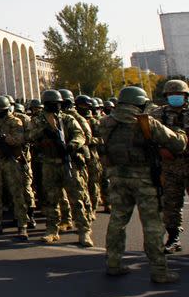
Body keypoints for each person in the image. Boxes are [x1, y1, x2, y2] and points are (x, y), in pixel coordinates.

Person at [99, 86, 186, 283]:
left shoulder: (105, 122)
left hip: (117, 177)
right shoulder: (145, 122)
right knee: (152, 225)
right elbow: (177, 143)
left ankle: (113, 264)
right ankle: (159, 271)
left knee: (117, 221)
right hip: (144, 179)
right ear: (139, 102)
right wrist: (180, 132)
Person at [29, 90, 93, 247]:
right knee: (51, 199)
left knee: (76, 198)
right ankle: (52, 229)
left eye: (58, 104)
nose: (56, 106)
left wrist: (72, 145)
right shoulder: (38, 121)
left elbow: (80, 135)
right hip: (49, 163)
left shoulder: (67, 119)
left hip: (67, 161)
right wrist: (44, 133)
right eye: (53, 104)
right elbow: (30, 136)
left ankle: (84, 231)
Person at [0, 96, 29, 240]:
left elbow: (18, 140)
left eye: (0, 111)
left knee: (16, 192)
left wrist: (2, 137)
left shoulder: (15, 122)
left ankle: (22, 225)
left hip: (10, 160)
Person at [152, 79, 189, 253]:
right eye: (172, 94)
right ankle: (173, 238)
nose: (176, 97)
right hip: (169, 166)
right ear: (166, 96)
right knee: (170, 204)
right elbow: (147, 137)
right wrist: (160, 149)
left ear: (185, 95)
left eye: (179, 94)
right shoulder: (157, 115)